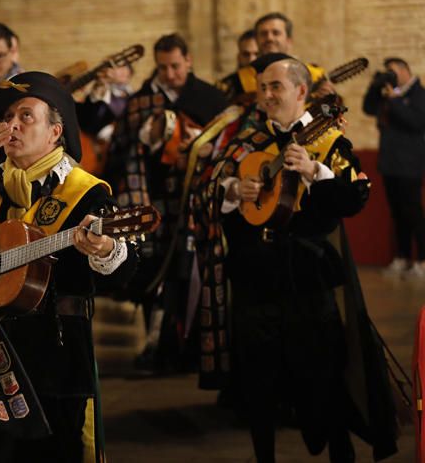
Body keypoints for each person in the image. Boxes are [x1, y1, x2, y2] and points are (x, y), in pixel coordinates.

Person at [0, 71, 139, 461]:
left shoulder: (85, 192)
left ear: (56, 132)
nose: (11, 126)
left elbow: (126, 271)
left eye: (25, 116)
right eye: (5, 118)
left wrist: (103, 247)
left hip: (58, 356)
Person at [216, 58, 385, 462]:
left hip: (307, 279)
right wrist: (233, 191)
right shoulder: (249, 143)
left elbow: (354, 198)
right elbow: (216, 197)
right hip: (256, 278)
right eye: (262, 88)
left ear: (301, 92)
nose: (268, 95)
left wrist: (314, 170)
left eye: (276, 87)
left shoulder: (328, 141)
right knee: (259, 384)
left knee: (324, 380)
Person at [106, 33, 227, 372]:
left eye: (175, 65)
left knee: (192, 273)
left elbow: (228, 148)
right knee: (154, 273)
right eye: (162, 67)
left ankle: (193, 351)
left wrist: (203, 150)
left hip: (196, 201)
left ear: (188, 61)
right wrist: (144, 143)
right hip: (153, 200)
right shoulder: (141, 101)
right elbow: (120, 149)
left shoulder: (211, 97)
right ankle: (158, 347)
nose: (170, 73)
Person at [362, 57, 425, 278]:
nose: (389, 75)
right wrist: (375, 86)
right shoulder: (386, 93)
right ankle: (402, 257)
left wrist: (395, 100)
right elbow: (368, 108)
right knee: (397, 214)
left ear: (404, 70)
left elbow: (417, 122)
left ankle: (422, 260)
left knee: (413, 212)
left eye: (392, 71)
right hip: (389, 164)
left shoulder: (419, 94)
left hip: (410, 165)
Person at [216, 29, 258, 103]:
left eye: (257, 54)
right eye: (246, 54)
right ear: (239, 57)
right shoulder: (226, 85)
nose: (252, 59)